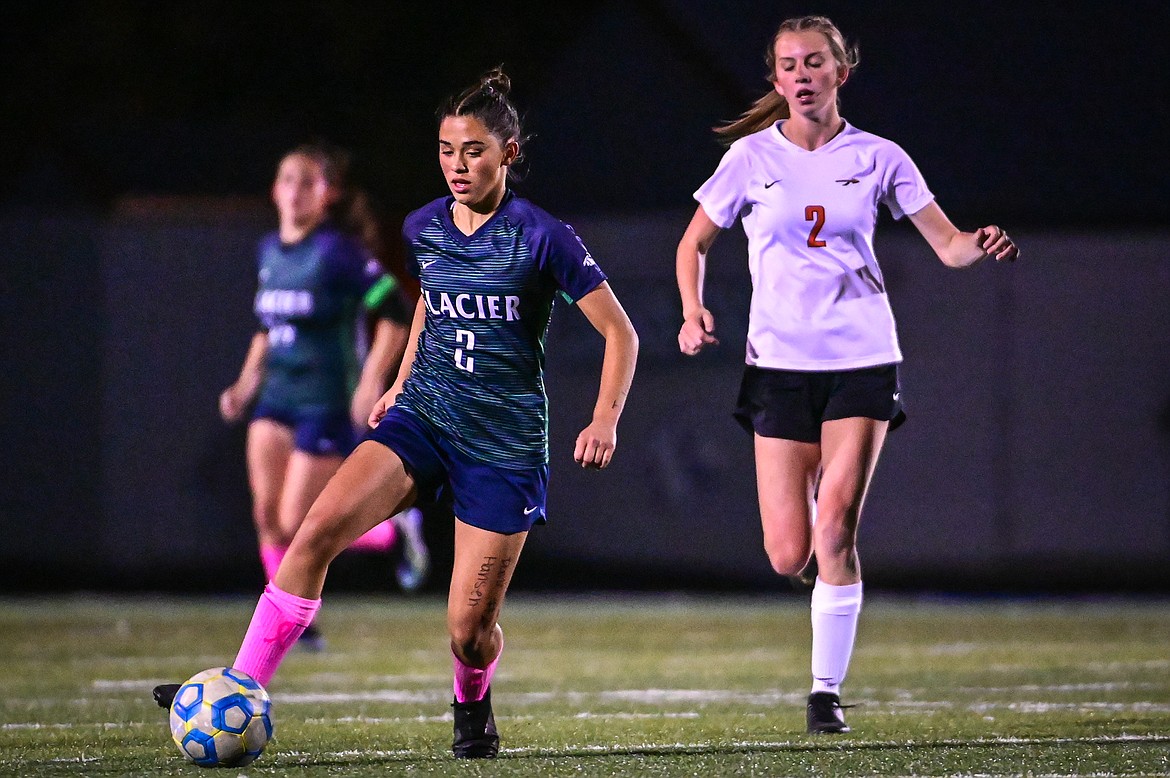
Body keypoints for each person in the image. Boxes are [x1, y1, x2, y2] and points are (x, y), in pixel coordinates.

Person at [156, 69, 639, 759]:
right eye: (446, 149)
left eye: (472, 150)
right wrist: (399, 382)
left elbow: (621, 333)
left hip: (502, 445)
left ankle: (472, 703)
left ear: (508, 152)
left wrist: (604, 418)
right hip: (424, 419)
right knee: (313, 530)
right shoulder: (423, 227)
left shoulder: (542, 236)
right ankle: (241, 685)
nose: (457, 164)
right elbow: (427, 306)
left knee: (468, 631)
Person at [675, 15, 1019, 735]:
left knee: (835, 527)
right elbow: (695, 243)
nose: (802, 75)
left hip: (861, 360)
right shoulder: (748, 159)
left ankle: (824, 693)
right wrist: (691, 309)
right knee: (787, 553)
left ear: (841, 72)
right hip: (778, 369)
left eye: (815, 63)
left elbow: (948, 246)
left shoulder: (881, 157)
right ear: (775, 80)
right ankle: (825, 575)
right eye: (788, 65)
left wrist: (979, 243)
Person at [219, 143, 432, 650]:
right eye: (287, 180)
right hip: (276, 397)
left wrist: (372, 379)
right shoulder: (269, 250)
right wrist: (246, 382)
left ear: (327, 194)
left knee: (299, 523)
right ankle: (296, 623)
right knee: (267, 519)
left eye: (306, 181)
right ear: (274, 190)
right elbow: (267, 328)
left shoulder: (338, 253)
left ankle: (392, 533)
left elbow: (399, 313)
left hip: (325, 402)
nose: (294, 191)